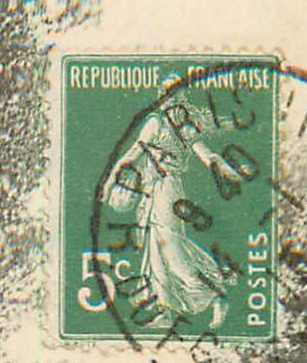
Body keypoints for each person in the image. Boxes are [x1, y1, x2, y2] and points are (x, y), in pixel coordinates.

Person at [103, 87, 246, 327]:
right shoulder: (155, 124)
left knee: (171, 249)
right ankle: (165, 308)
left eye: (179, 99)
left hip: (167, 189)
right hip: (153, 190)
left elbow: (206, 155)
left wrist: (221, 167)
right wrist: (109, 182)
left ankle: (214, 294)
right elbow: (132, 155)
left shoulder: (184, 128)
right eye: (171, 98)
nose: (176, 103)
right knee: (157, 248)